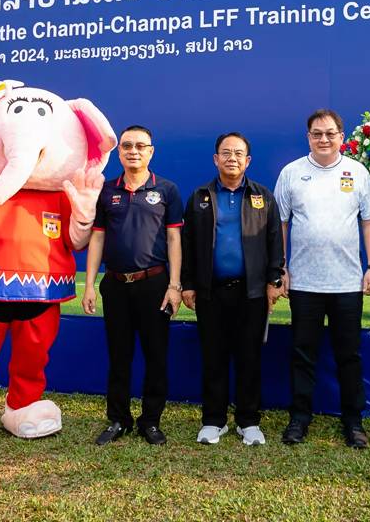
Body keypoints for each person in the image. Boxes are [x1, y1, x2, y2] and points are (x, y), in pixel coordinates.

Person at [274, 109, 370, 449]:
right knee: (303, 353)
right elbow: (281, 225)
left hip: (348, 283)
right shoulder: (291, 173)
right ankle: (299, 418)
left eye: (330, 133)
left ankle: (353, 421)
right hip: (304, 284)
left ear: (341, 135)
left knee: (349, 355)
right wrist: (281, 268)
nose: (324, 139)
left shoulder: (357, 172)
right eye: (317, 134)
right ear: (308, 137)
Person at [181, 132, 284, 446]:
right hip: (210, 292)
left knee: (249, 357)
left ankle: (248, 421)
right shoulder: (199, 197)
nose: (232, 158)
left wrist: (274, 280)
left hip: (251, 293)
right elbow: (187, 245)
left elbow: (274, 243)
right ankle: (214, 420)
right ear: (216, 159)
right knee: (213, 356)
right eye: (226, 153)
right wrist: (187, 284)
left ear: (247, 160)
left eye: (239, 153)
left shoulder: (262, 196)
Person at [83, 125, 184, 445]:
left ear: (151, 151)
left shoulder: (166, 190)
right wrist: (89, 285)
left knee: (156, 356)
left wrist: (175, 285)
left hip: (154, 284)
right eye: (127, 146)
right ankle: (118, 420)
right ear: (120, 151)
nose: (133, 151)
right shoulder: (106, 191)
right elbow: (97, 237)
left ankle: (151, 421)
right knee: (119, 356)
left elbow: (173, 238)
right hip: (115, 286)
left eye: (141, 146)